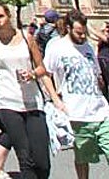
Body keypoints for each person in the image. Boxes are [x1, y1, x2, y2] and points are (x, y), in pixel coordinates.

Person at [0, 1, 61, 179]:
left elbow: (42, 68)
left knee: (42, 162)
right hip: (8, 103)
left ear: (9, 16)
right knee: (25, 159)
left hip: (33, 103)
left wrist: (33, 75)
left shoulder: (27, 37)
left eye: (0, 16)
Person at [43, 11, 109, 179]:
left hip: (101, 109)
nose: (82, 36)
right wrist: (56, 100)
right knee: (82, 157)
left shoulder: (87, 46)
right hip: (77, 114)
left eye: (84, 32)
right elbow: (45, 73)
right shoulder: (56, 47)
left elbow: (95, 73)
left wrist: (99, 81)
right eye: (78, 32)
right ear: (68, 28)